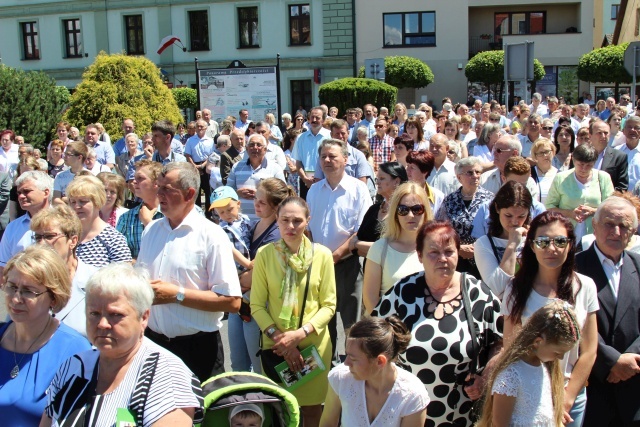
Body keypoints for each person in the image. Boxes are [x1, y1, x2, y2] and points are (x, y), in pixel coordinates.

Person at [372, 221, 503, 427]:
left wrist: (485, 377)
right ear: (420, 256)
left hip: (461, 414)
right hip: (407, 411)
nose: (443, 259)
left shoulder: (477, 293)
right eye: (433, 252)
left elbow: (501, 342)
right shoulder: (403, 292)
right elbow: (373, 338)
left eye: (449, 251)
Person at [41, 263, 204, 426]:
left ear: (144, 317)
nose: (102, 324)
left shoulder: (167, 375)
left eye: (115, 315)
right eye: (94, 313)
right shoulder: (74, 367)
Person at [137, 162, 241, 381]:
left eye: (167, 189)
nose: (159, 193)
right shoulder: (151, 230)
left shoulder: (211, 236)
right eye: (158, 187)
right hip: (153, 347)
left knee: (202, 415)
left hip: (198, 351)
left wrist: (177, 295)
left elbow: (231, 301)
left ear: (189, 194)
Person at [502, 211, 598, 426]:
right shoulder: (514, 289)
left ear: (571, 245)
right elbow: (510, 346)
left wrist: (568, 396)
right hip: (528, 393)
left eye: (560, 241)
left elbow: (589, 349)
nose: (551, 249)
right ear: (532, 245)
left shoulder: (585, 287)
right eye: (543, 242)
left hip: (570, 394)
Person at [251, 196, 337, 427]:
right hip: (276, 347)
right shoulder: (265, 255)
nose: (290, 226)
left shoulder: (323, 255)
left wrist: (298, 336)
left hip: (313, 345)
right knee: (280, 410)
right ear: (276, 221)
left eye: (297, 221)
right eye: (285, 220)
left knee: (311, 410)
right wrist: (283, 342)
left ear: (308, 221)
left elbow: (328, 305)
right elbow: (257, 305)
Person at [0, 245, 91, 425]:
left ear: (54, 297)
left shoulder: (76, 351)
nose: (16, 298)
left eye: (28, 291)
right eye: (12, 287)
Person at [575, 197, 640, 426]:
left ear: (633, 231)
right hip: (593, 384)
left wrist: (629, 360)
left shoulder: (638, 265)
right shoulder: (573, 268)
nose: (616, 231)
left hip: (635, 380)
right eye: (609, 224)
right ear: (594, 225)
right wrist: (612, 361)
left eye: (624, 226)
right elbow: (573, 321)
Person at [476, 301, 582, 427]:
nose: (561, 357)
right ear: (538, 341)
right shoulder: (510, 376)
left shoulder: (544, 369)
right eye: (557, 352)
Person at [320, 316, 430, 427]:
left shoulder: (413, 395)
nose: (346, 363)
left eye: (353, 359)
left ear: (380, 361)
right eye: (347, 354)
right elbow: (327, 424)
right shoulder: (340, 378)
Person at [362, 181, 431, 314]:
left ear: (425, 211)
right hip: (390, 329)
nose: (411, 215)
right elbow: (370, 301)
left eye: (417, 209)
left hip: (427, 328)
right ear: (395, 213)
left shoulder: (435, 248)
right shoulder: (380, 249)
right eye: (403, 210)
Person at [30, 204, 98, 336]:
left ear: (73, 241)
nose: (41, 244)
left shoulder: (97, 281)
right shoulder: (28, 280)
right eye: (38, 238)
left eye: (49, 236)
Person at [436, 157, 494, 277]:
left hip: (483, 258)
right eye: (470, 173)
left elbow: (496, 229)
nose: (475, 176)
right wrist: (459, 247)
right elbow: (440, 229)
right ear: (459, 177)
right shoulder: (450, 200)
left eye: (478, 172)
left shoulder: (491, 199)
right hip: (456, 257)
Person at [474, 181, 532, 299]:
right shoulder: (483, 244)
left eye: (521, 216)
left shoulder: (533, 240)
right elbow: (496, 289)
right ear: (497, 208)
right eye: (508, 215)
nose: (515, 222)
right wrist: (512, 245)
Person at [546, 143, 614, 241]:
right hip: (565, 234)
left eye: (588, 165)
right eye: (580, 164)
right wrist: (570, 213)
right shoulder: (561, 178)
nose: (584, 169)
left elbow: (611, 208)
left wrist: (593, 211)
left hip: (595, 236)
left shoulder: (603, 178)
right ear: (573, 160)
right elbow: (549, 208)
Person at [66, 175, 132, 267]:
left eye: (83, 201)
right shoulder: (65, 236)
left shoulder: (113, 240)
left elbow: (124, 278)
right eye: (73, 202)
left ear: (97, 202)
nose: (77, 206)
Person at [0, 171, 53, 277]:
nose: (21, 196)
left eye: (26, 191)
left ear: (46, 193)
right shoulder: (13, 228)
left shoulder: (64, 223)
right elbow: (3, 268)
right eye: (19, 193)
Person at [349, 162, 408, 257]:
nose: (377, 182)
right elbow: (355, 250)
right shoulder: (374, 209)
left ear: (396, 181)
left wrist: (357, 244)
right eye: (377, 179)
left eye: (382, 178)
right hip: (370, 269)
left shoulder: (405, 212)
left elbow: (392, 249)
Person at [227, 133, 286, 222]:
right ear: (246, 149)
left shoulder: (275, 168)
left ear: (265, 149)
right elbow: (227, 191)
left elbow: (283, 194)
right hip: (241, 221)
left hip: (266, 222)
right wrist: (237, 193)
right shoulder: (237, 167)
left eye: (259, 145)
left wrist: (261, 195)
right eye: (251, 145)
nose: (255, 148)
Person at [116, 160, 163, 260]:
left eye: (140, 178)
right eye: (134, 177)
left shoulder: (172, 215)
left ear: (156, 183)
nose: (134, 181)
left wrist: (148, 223)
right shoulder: (126, 218)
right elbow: (118, 256)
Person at [590, 120, 628, 191]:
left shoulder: (619, 157)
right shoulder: (579, 155)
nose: (603, 136)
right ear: (590, 136)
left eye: (606, 133)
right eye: (599, 133)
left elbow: (622, 187)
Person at [52, 141, 88, 205]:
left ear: (79, 157)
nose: (64, 157)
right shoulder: (60, 176)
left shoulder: (89, 177)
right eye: (64, 154)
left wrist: (65, 199)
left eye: (68, 155)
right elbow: (55, 200)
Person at [531, 138, 559, 204]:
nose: (545, 155)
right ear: (535, 156)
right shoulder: (529, 173)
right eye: (541, 153)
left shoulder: (560, 174)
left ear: (553, 152)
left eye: (547, 152)